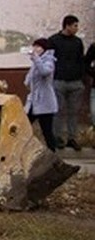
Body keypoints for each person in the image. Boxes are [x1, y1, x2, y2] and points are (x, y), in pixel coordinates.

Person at [47, 14, 85, 150]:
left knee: (74, 112)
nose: (77, 28)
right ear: (67, 25)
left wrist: (81, 77)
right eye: (75, 25)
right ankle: (57, 138)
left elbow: (81, 60)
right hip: (59, 80)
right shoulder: (54, 41)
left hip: (75, 81)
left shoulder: (78, 42)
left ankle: (72, 138)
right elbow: (48, 59)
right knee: (58, 111)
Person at [25, 37, 60, 151]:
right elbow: (30, 79)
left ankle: (53, 155)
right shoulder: (36, 61)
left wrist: (36, 59)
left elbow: (44, 71)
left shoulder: (49, 60)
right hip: (33, 102)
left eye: (38, 47)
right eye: (34, 46)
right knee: (23, 126)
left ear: (44, 49)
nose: (35, 49)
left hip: (45, 103)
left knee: (47, 131)